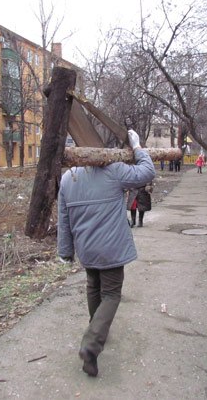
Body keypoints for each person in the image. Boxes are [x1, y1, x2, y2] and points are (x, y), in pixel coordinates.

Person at [57, 130, 156, 377]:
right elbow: (147, 172)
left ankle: (96, 331)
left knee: (93, 286)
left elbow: (64, 219)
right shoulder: (113, 171)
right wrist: (137, 147)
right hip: (111, 248)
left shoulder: (68, 178)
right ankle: (92, 343)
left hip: (86, 248)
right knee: (111, 293)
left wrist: (65, 252)